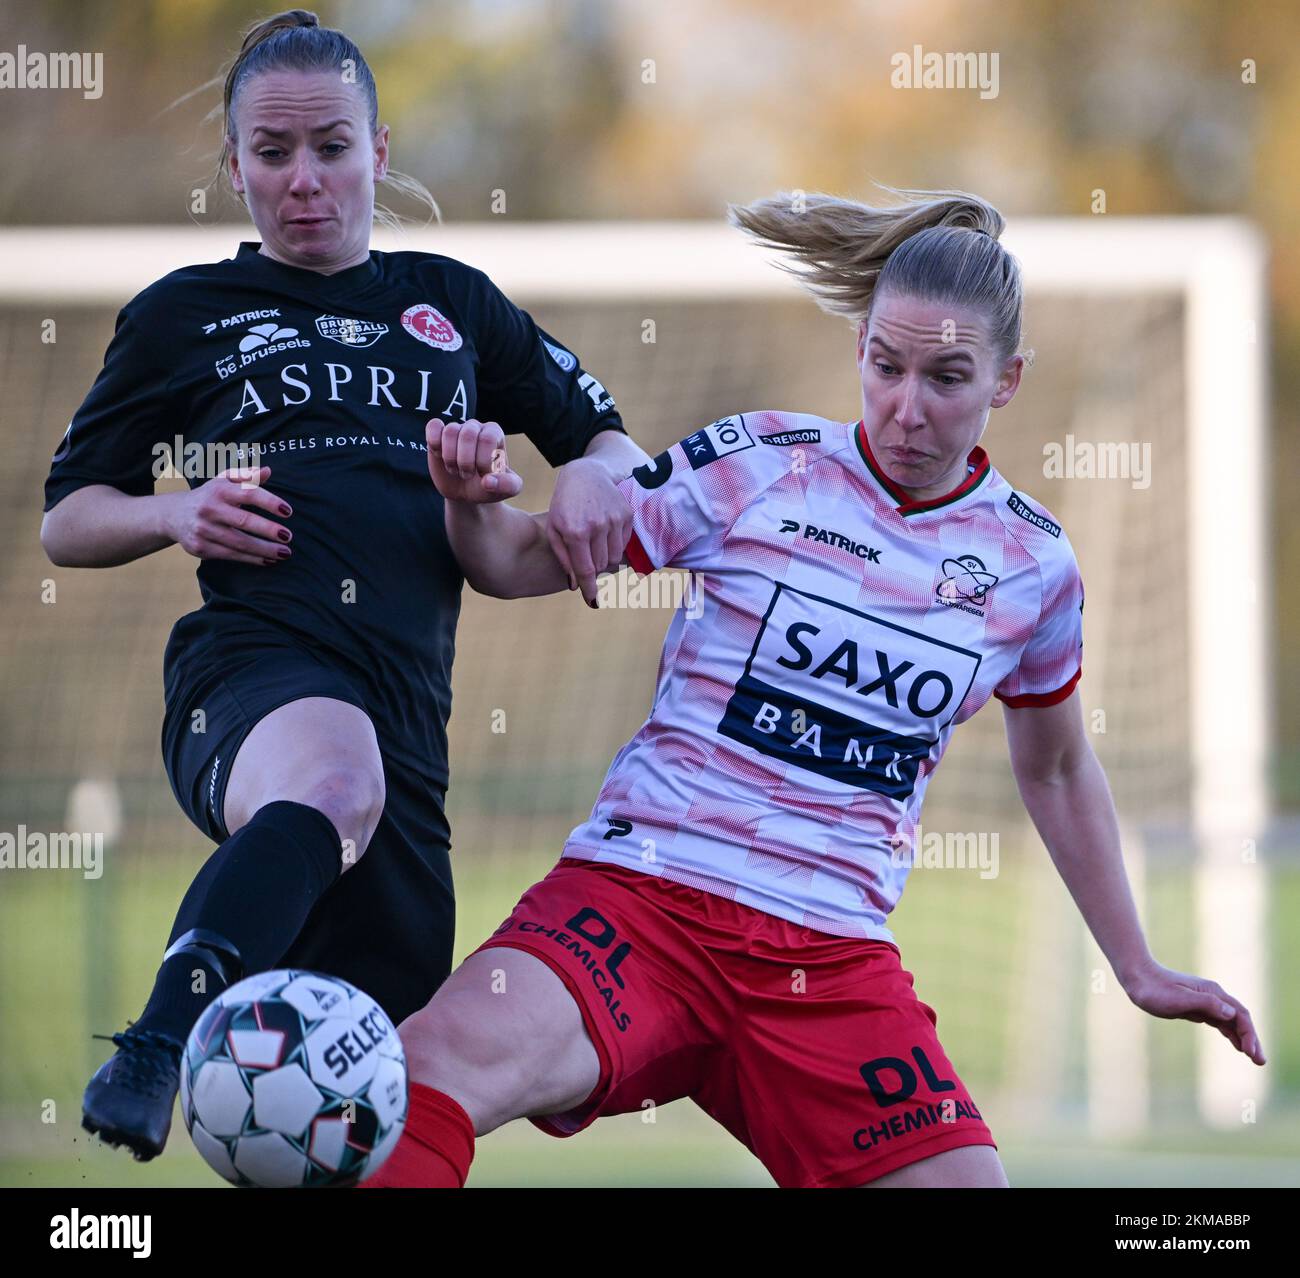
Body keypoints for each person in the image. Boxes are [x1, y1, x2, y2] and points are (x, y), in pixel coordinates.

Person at [366, 186, 1265, 1189]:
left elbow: (1055, 770)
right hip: (642, 903)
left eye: (947, 377)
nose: (906, 406)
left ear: (1006, 381)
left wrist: (1136, 966)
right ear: (860, 350)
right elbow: (515, 562)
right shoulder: (757, 463)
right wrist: (465, 503)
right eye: (886, 364)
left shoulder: (1032, 566)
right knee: (415, 1079)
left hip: (827, 962)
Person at [40, 9, 646, 1162]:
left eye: (330, 147)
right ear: (233, 168)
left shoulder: (453, 303)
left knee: (352, 1128)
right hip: (253, 675)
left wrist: (581, 487)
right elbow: (69, 519)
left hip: (412, 735)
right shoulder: (183, 315)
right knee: (329, 774)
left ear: (380, 147)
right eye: (271, 154)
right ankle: (156, 1043)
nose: (303, 179)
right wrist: (175, 510)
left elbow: (607, 442)